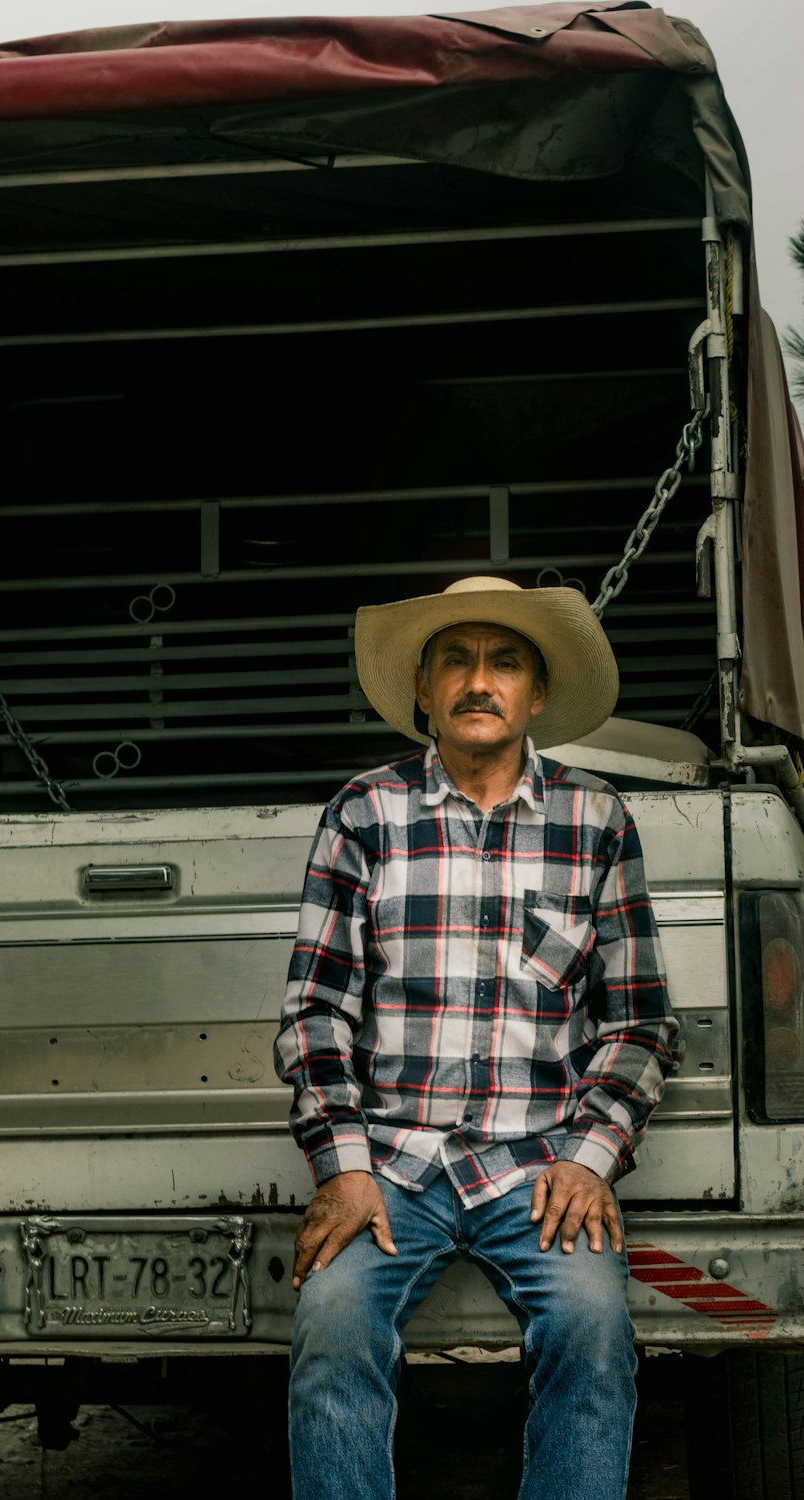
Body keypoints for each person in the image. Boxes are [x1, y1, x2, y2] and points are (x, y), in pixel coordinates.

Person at [274, 575, 677, 1500]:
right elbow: (315, 1010)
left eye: (504, 662)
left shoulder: (596, 820)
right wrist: (342, 1165)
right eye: (455, 660)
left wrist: (589, 1159)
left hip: (541, 1168)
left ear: (536, 694)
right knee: (331, 1331)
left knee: (593, 1336)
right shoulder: (364, 815)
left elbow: (641, 1021)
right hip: (392, 1166)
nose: (478, 681)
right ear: (424, 690)